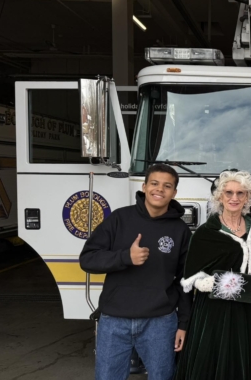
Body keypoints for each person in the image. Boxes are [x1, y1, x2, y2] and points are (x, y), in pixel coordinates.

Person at [79, 163, 192, 380]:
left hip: (160, 321)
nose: (160, 189)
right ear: (144, 186)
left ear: (174, 192)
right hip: (114, 319)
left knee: (163, 376)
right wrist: (125, 257)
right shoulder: (119, 219)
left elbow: (185, 280)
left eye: (167, 186)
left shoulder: (180, 230)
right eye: (155, 183)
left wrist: (183, 324)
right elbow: (87, 260)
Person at [176, 170, 251, 380]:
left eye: (240, 193)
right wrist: (218, 284)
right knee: (213, 360)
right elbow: (191, 278)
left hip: (247, 307)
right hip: (214, 310)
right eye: (228, 192)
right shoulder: (206, 233)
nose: (234, 198)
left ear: (247, 197)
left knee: (244, 359)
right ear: (219, 196)